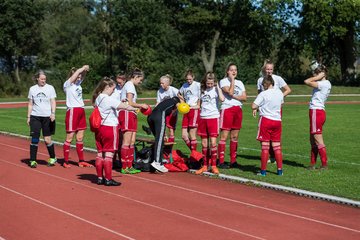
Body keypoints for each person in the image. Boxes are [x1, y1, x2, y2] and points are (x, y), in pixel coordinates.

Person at [92, 77, 136, 186]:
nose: (113, 91)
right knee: (109, 154)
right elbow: (125, 107)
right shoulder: (108, 99)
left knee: (100, 154)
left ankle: (99, 177)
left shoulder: (98, 98)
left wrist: (119, 102)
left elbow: (112, 104)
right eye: (113, 88)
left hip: (99, 128)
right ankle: (108, 178)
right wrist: (135, 108)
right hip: (110, 127)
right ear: (108, 87)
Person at [256, 59, 291, 163]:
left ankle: (274, 156)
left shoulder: (278, 78)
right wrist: (257, 107)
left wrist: (280, 97)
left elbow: (288, 89)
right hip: (264, 109)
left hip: (275, 109)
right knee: (263, 133)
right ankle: (267, 155)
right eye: (267, 69)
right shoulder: (260, 80)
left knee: (274, 133)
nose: (269, 71)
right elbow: (259, 94)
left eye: (271, 69)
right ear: (264, 69)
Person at [252, 75, 284, 176]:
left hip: (266, 120)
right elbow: (281, 104)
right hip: (277, 120)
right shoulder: (279, 93)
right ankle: (280, 171)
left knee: (265, 146)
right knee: (277, 146)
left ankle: (263, 171)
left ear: (266, 84)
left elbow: (253, 105)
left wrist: (257, 108)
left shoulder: (263, 94)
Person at [119, 68, 149, 174]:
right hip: (126, 113)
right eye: (140, 80)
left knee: (131, 142)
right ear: (135, 77)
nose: (140, 82)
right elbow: (130, 102)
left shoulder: (130, 85)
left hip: (131, 113)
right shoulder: (129, 85)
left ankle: (129, 165)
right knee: (126, 141)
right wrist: (141, 105)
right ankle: (124, 166)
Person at [218, 63, 247, 169]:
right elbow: (229, 91)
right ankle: (221, 161)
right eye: (231, 70)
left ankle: (233, 161)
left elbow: (244, 98)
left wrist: (234, 96)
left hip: (238, 109)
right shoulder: (223, 81)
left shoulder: (240, 82)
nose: (234, 72)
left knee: (234, 136)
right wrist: (232, 80)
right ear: (227, 71)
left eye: (235, 70)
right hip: (227, 109)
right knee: (224, 136)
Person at [195, 72, 225, 175]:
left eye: (212, 83)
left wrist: (218, 88)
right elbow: (198, 105)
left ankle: (213, 165)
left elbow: (222, 99)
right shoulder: (201, 90)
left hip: (213, 117)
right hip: (203, 117)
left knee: (213, 143)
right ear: (205, 82)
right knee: (204, 144)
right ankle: (204, 165)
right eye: (208, 83)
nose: (210, 85)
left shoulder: (216, 90)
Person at [27, 70, 57, 168]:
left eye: (45, 79)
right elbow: (30, 104)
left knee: (47, 139)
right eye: (42, 79)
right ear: (37, 79)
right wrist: (28, 117)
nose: (43, 81)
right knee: (35, 139)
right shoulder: (32, 89)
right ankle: (32, 160)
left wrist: (53, 113)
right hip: (35, 116)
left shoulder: (50, 88)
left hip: (47, 117)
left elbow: (53, 101)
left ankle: (53, 157)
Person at [62, 65, 91, 168]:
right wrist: (82, 68)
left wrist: (85, 70)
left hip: (80, 110)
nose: (79, 78)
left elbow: (82, 75)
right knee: (69, 137)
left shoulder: (78, 84)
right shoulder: (68, 84)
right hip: (73, 111)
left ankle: (81, 161)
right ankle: (65, 161)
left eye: (80, 77)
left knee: (80, 137)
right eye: (77, 76)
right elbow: (77, 73)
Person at [304, 61, 331, 170]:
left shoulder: (323, 83)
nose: (315, 75)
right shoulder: (326, 83)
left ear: (323, 74)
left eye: (317, 73)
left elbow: (306, 81)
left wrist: (317, 77)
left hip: (316, 111)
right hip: (317, 112)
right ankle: (312, 164)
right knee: (312, 138)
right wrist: (318, 76)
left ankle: (324, 164)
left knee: (317, 138)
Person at [147, 96, 182, 173]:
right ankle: (157, 162)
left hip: (150, 117)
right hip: (159, 116)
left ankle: (158, 161)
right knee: (159, 141)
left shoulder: (165, 102)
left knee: (159, 139)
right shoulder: (174, 102)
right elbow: (179, 106)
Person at [156, 74, 179, 160]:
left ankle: (169, 152)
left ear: (167, 83)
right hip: (164, 112)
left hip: (172, 112)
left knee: (171, 131)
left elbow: (180, 98)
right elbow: (158, 102)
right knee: (163, 131)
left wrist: (175, 109)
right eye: (160, 83)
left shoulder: (174, 90)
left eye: (162, 83)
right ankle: (164, 151)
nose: (161, 85)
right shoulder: (159, 91)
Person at [177, 69, 201, 152]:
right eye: (187, 79)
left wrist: (198, 104)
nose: (189, 81)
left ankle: (194, 156)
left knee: (192, 134)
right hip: (186, 111)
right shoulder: (184, 85)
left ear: (193, 77)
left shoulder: (198, 85)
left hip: (194, 110)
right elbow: (179, 94)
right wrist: (182, 102)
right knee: (184, 136)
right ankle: (195, 153)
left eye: (190, 79)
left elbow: (202, 95)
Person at [112, 73, 127, 168]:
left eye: (120, 83)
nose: (119, 84)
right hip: (116, 116)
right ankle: (113, 160)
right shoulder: (114, 89)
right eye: (118, 83)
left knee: (122, 139)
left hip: (124, 116)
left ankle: (122, 160)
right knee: (115, 139)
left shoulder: (127, 88)